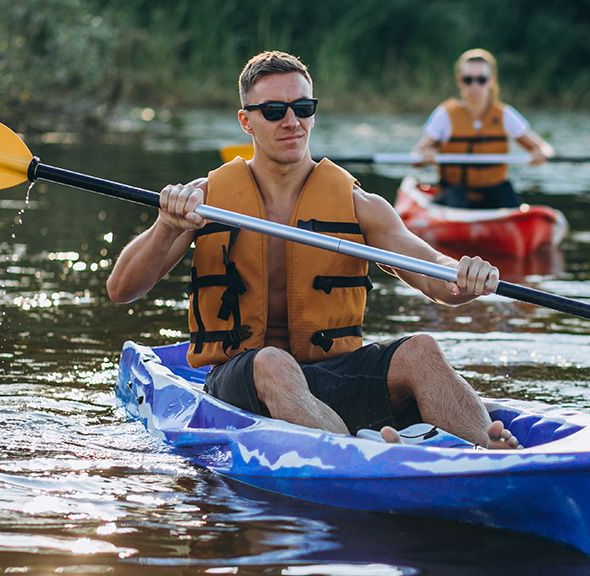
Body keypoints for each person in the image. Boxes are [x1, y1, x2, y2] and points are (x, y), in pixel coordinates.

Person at [107, 51, 519, 449]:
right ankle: (359, 455)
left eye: (303, 108)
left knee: (421, 351)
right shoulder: (205, 200)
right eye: (274, 111)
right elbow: (122, 289)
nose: (292, 122)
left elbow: (435, 274)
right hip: (244, 377)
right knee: (273, 361)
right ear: (246, 121)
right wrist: (166, 226)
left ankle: (490, 450)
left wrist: (465, 276)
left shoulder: (360, 205)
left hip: (332, 373)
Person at [412, 48, 554, 209]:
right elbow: (416, 155)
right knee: (456, 196)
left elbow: (544, 147)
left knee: (506, 192)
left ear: (491, 81)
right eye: (468, 80)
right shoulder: (444, 114)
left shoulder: (505, 114)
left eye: (481, 79)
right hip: (455, 193)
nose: (474, 86)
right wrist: (425, 154)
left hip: (494, 191)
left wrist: (541, 153)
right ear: (460, 81)